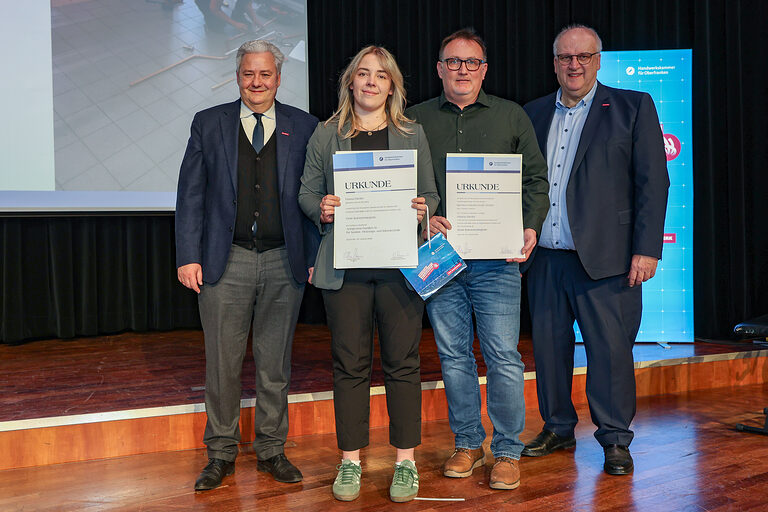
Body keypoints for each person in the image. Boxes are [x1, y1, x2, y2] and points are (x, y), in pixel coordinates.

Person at [521, 24, 669, 475]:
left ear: (598, 60)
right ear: (554, 63)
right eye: (566, 57)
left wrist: (646, 250)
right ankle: (558, 427)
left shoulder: (631, 106)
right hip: (545, 256)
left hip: (608, 259)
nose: (574, 64)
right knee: (548, 350)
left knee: (609, 354)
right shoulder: (533, 112)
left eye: (583, 56)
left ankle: (614, 439)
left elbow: (653, 182)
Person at [406, 28, 550, 491]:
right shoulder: (414, 119)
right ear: (439, 68)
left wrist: (530, 225)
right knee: (453, 356)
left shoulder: (512, 116)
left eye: (471, 62)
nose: (462, 70)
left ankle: (507, 449)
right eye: (453, 62)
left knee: (503, 356)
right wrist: (422, 219)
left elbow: (535, 181)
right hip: (440, 260)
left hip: (498, 262)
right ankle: (468, 442)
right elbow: (402, 186)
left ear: (484, 69)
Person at [175, 39, 319, 491]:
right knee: (222, 364)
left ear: (279, 77)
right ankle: (220, 453)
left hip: (283, 262)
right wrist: (188, 255)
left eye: (266, 74)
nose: (256, 82)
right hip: (225, 260)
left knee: (275, 364)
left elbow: (313, 198)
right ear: (238, 77)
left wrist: (315, 258)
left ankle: (272, 450)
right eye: (248, 74)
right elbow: (190, 195)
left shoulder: (306, 125)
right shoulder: (208, 123)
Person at [298, 45, 439, 503]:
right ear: (350, 83)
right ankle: (350, 460)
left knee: (403, 365)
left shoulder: (412, 134)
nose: (372, 81)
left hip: (400, 269)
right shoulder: (326, 134)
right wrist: (320, 207)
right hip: (346, 270)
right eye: (363, 74)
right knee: (350, 366)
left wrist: (423, 208)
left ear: (392, 85)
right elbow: (306, 193)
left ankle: (405, 463)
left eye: (381, 75)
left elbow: (430, 194)